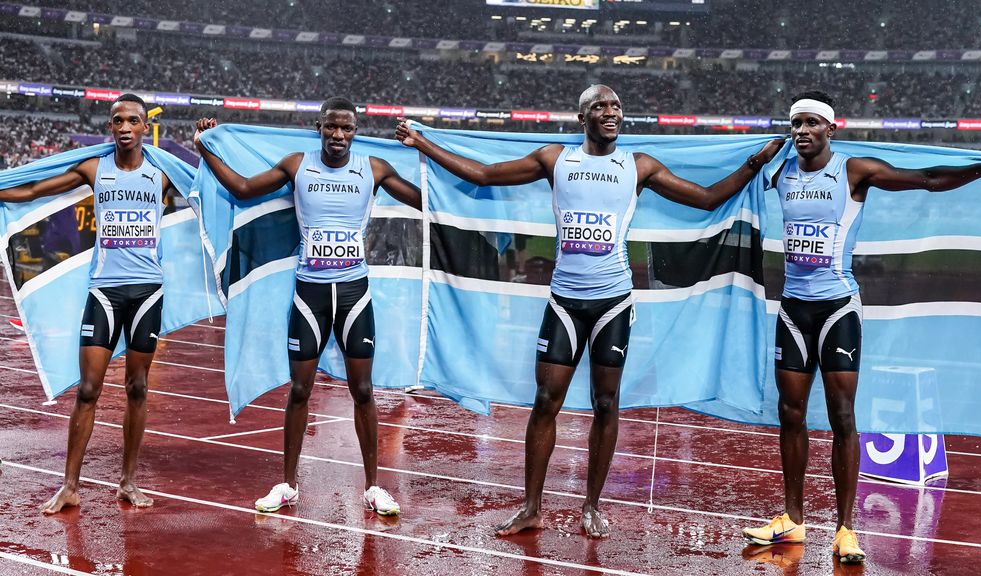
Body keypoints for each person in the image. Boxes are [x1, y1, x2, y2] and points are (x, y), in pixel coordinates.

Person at [396, 84, 784, 537]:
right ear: (583, 117)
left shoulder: (638, 166)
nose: (610, 112)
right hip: (564, 301)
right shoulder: (555, 159)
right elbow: (483, 175)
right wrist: (424, 143)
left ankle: (592, 506)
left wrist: (756, 162)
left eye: (616, 105)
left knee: (606, 402)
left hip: (613, 303)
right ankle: (532, 507)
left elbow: (706, 198)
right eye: (600, 106)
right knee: (545, 402)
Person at [741, 90, 981, 564]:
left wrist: (979, 170)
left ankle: (846, 528)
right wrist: (760, 153)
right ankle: (792, 520)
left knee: (843, 416)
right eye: (795, 124)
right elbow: (727, 180)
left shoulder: (853, 171)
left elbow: (926, 178)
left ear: (831, 128)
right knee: (791, 413)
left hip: (838, 309)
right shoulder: (778, 171)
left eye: (810, 123)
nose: (801, 131)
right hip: (792, 310)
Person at [193, 97, 421, 516]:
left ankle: (373, 487)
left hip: (354, 294)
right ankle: (287, 484)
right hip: (309, 296)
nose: (338, 136)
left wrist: (425, 147)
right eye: (331, 127)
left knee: (363, 391)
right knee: (299, 391)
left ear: (356, 131)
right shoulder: (298, 165)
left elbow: (427, 203)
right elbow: (242, 188)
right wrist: (205, 148)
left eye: (347, 129)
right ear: (319, 127)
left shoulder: (373, 169)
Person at [0, 94, 174, 514]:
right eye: (118, 121)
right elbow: (37, 188)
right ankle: (70, 486)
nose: (126, 127)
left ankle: (128, 481)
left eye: (133, 120)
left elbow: (212, 184)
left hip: (147, 291)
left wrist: (207, 145)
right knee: (89, 389)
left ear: (144, 127)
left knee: (137, 387)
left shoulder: (163, 171)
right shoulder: (95, 170)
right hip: (105, 291)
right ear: (110, 127)